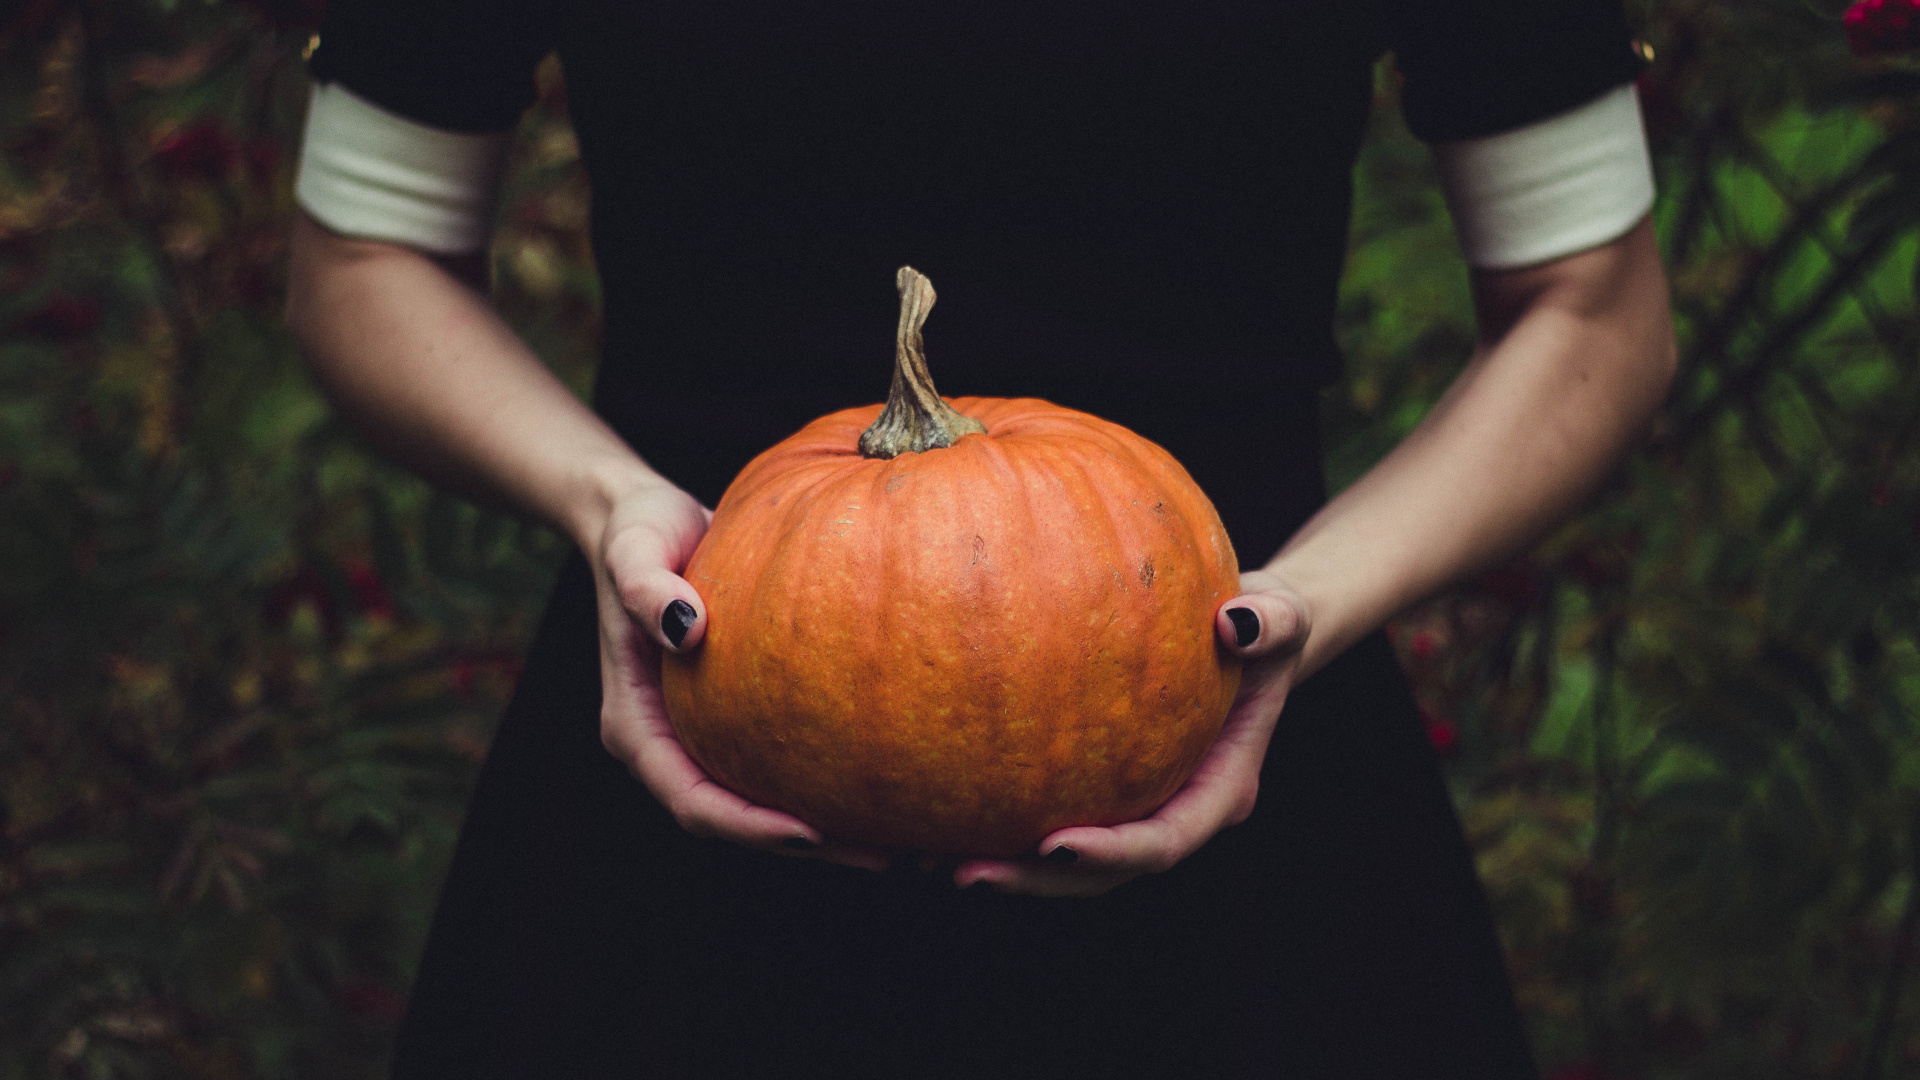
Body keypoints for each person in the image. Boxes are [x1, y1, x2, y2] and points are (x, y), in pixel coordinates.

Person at [285, 0, 1676, 1075]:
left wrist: (1305, 602)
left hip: (1236, 734)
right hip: (690, 721)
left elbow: (1595, 306)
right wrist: (604, 505)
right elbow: (364, 259)